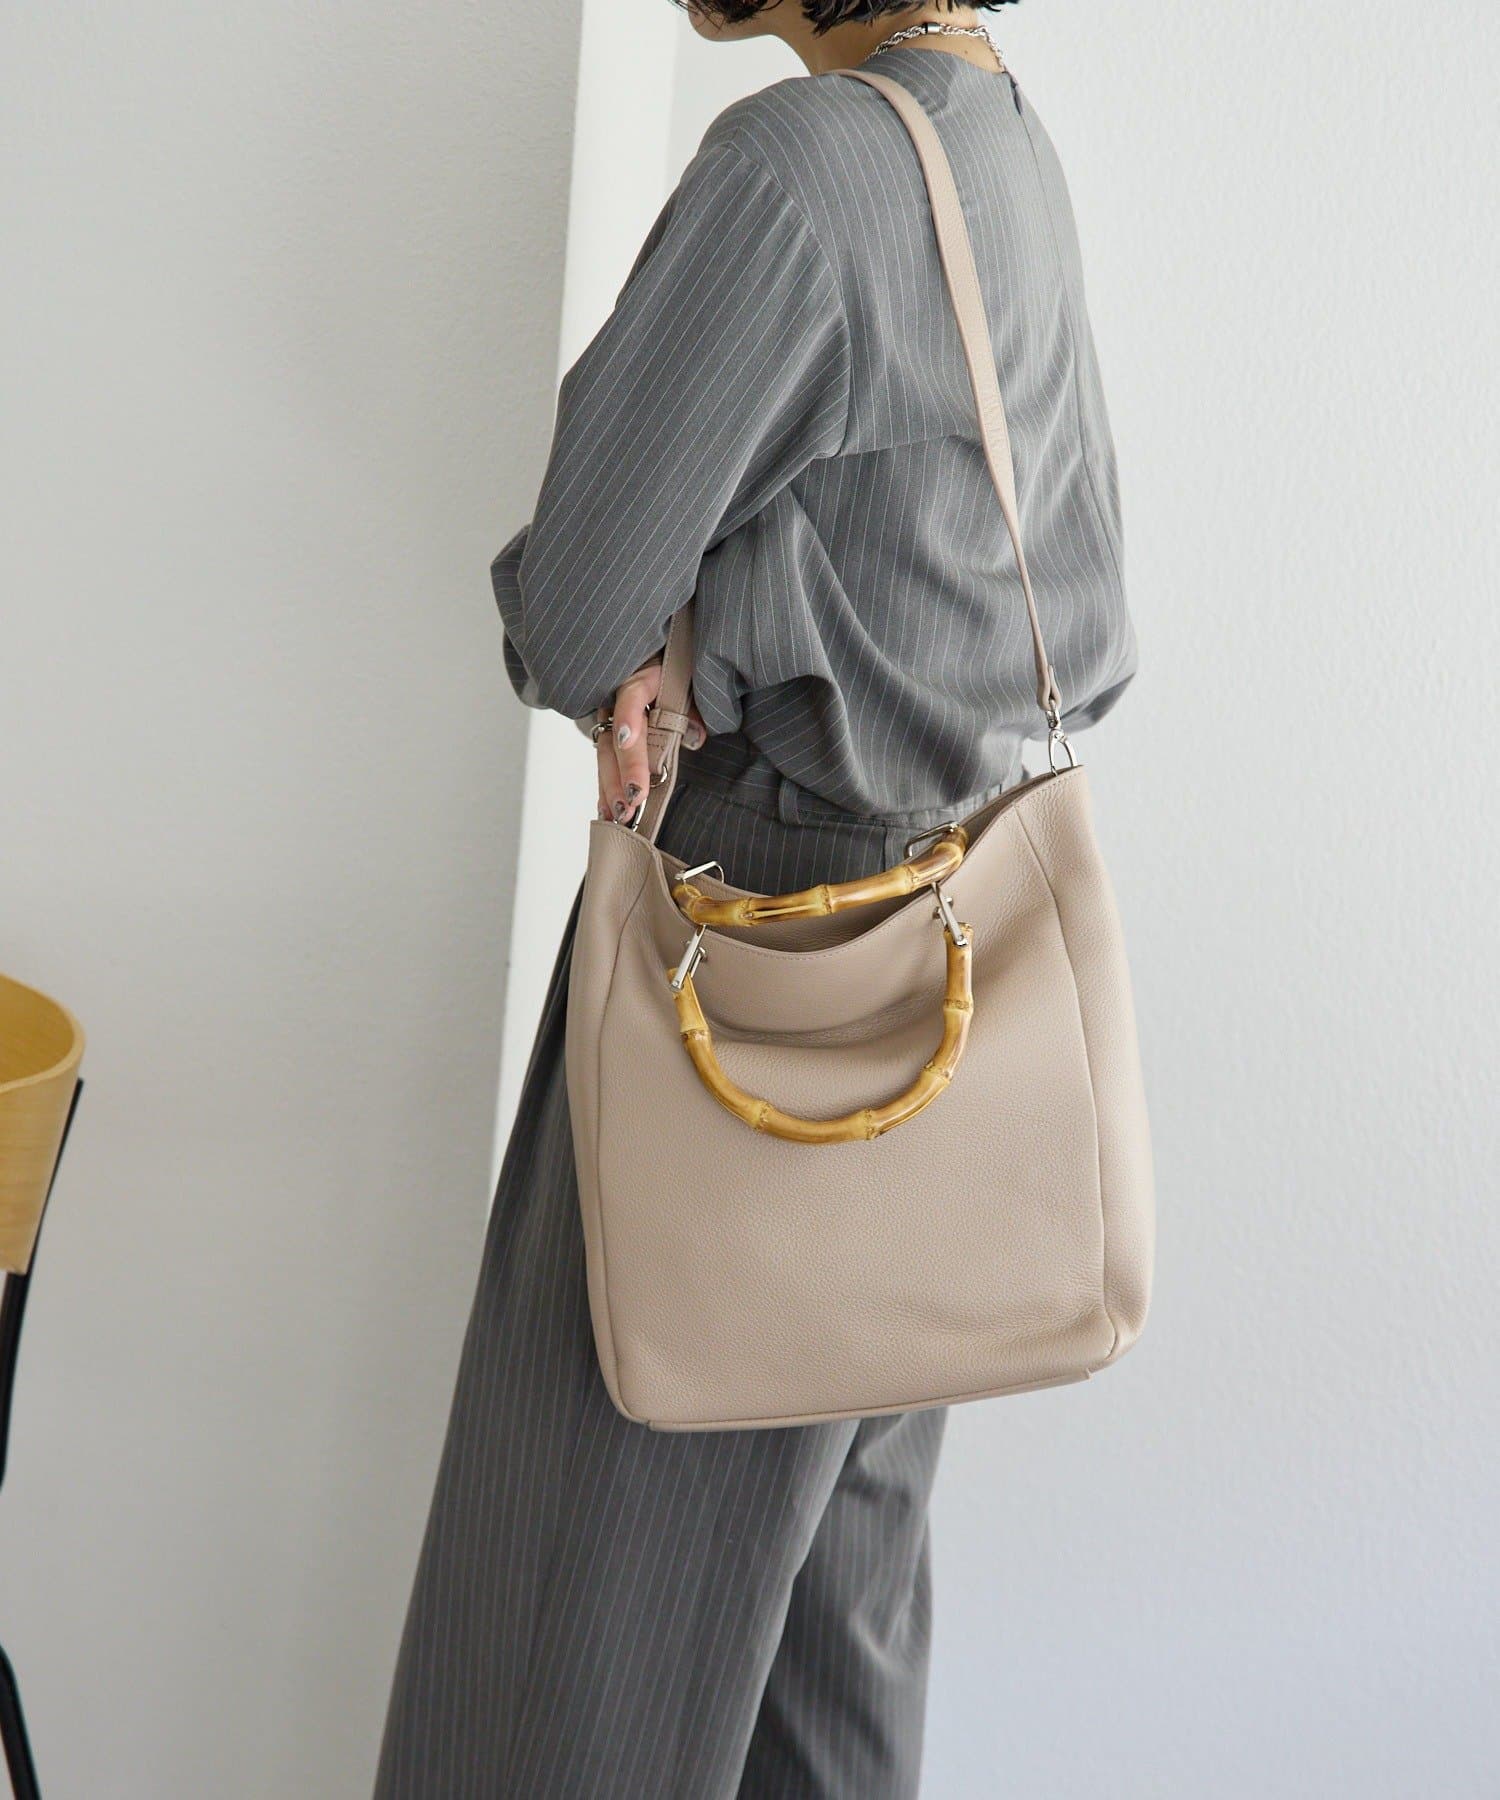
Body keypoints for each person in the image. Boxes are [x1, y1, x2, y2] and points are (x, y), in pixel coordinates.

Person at [374, 4, 1136, 1794]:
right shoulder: (996, 140)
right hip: (936, 958)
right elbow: (1051, 618)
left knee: (567, 1663)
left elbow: (572, 607)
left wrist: (669, 640)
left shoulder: (796, 174)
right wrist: (718, 625)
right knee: (823, 1658)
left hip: (753, 957)